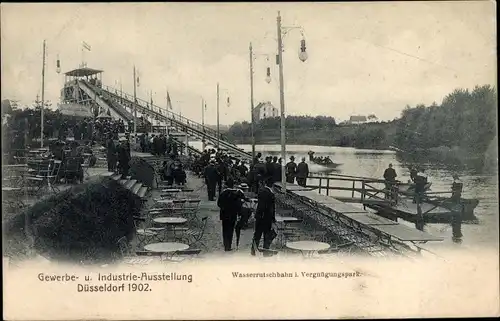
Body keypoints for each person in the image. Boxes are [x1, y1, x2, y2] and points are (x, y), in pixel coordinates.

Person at [217, 178, 247, 251]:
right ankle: (229, 246)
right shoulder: (236, 193)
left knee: (225, 230)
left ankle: (225, 245)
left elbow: (219, 204)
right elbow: (238, 205)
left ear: (226, 185)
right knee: (230, 230)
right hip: (232, 215)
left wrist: (224, 208)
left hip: (224, 215)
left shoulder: (223, 193)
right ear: (233, 185)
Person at [251, 178, 276, 256]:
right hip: (267, 217)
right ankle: (266, 251)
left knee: (257, 234)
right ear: (272, 185)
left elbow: (260, 205)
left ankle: (253, 250)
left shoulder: (261, 191)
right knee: (266, 235)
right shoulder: (271, 194)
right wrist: (273, 218)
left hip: (259, 216)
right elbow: (271, 208)